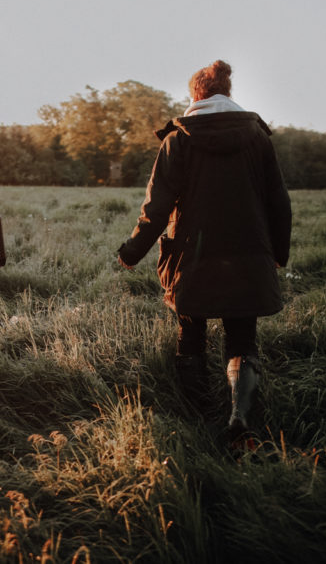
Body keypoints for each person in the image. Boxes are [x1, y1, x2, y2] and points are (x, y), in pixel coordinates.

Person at [117, 59, 291, 439]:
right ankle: (240, 416)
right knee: (242, 336)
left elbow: (157, 207)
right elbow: (278, 201)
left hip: (191, 255)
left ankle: (193, 416)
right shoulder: (257, 138)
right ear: (228, 94)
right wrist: (279, 252)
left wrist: (132, 250)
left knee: (190, 331)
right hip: (249, 249)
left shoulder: (177, 140)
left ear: (195, 95)